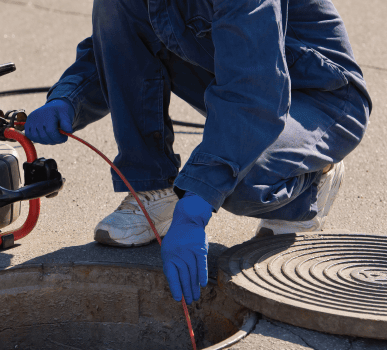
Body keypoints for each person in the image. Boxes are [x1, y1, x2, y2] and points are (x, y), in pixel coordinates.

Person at [24, 0, 372, 305]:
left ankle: (309, 183)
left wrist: (195, 207)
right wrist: (67, 100)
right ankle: (152, 189)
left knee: (235, 182)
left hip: (322, 98)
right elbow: (117, 42)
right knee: (117, 5)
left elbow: (253, 93)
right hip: (232, 73)